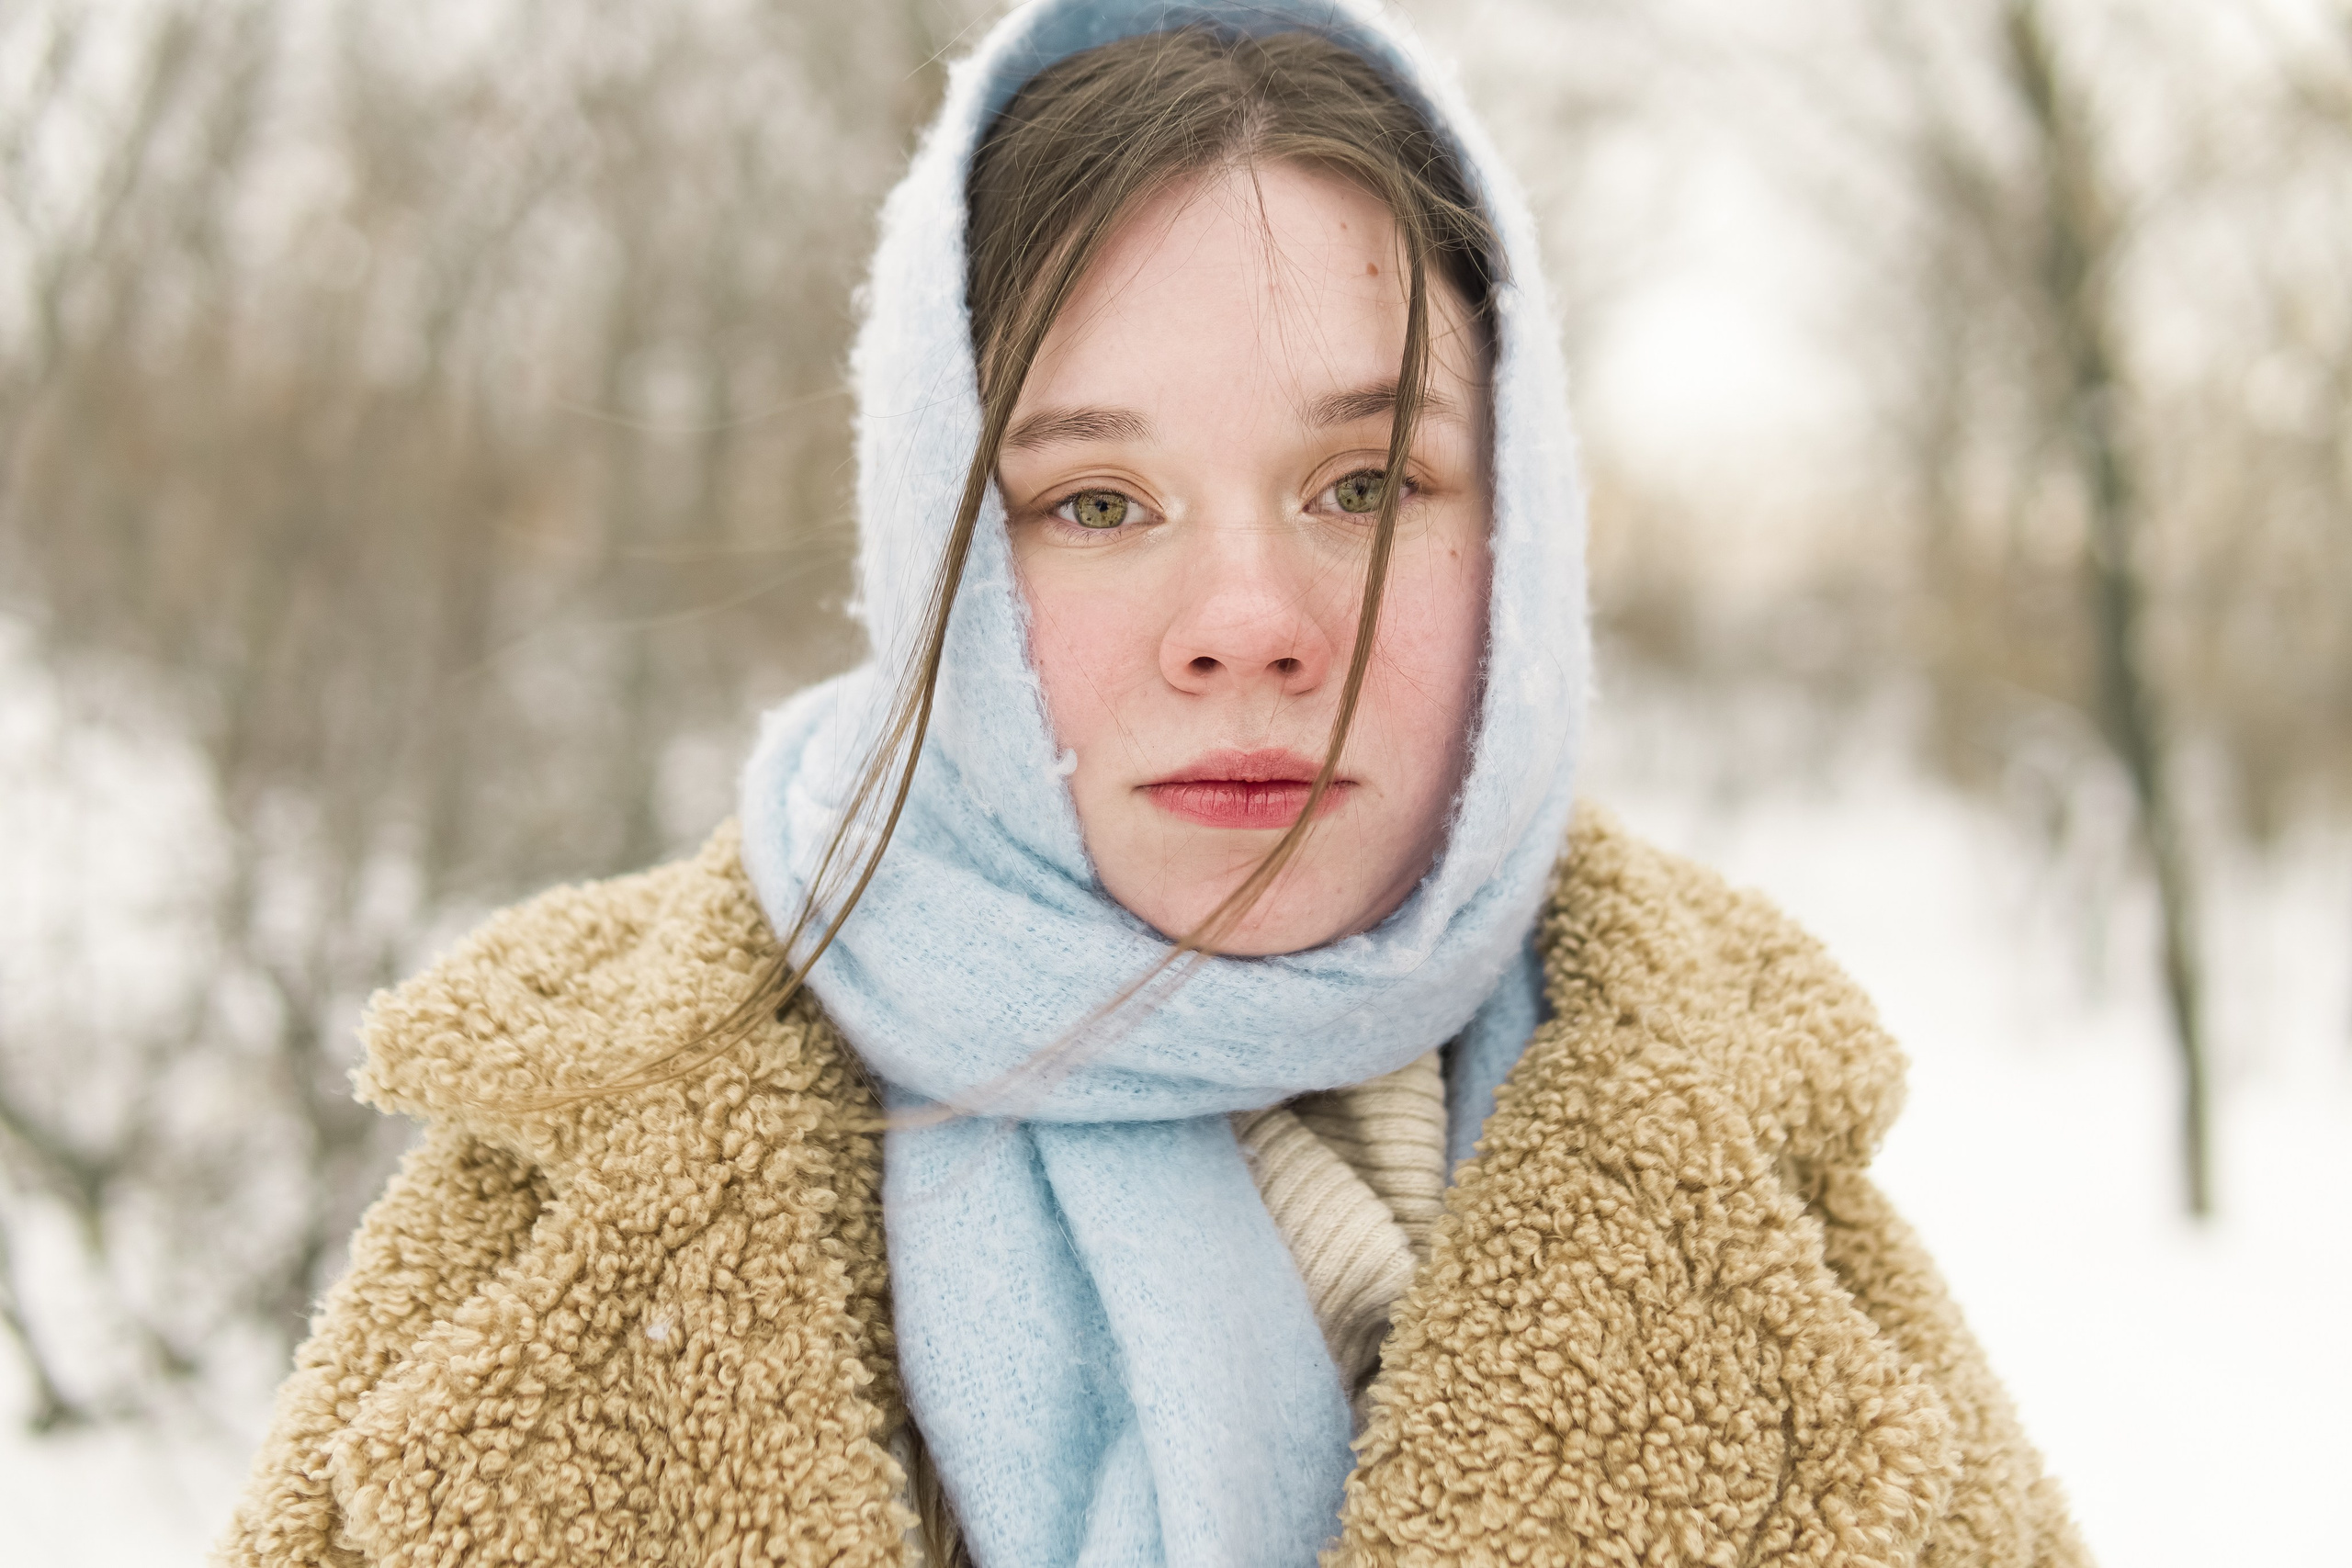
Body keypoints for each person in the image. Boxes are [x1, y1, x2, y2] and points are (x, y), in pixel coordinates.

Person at [220, 4, 2089, 1565]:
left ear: (1512, 528)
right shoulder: (557, 1185)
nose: (1250, 624)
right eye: (1093, 502)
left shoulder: (1763, 1209)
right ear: (932, 542)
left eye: (1362, 484)